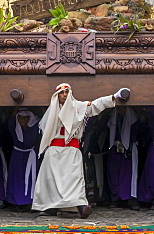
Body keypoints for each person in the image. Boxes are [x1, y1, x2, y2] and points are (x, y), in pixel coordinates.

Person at [34, 83, 126, 218]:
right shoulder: (51, 110)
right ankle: (51, 207)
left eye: (67, 92)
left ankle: (81, 206)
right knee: (51, 180)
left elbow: (95, 105)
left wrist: (113, 97)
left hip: (72, 150)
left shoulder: (79, 107)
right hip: (54, 151)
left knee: (74, 179)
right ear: (57, 95)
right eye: (61, 93)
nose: (64, 95)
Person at [105, 106, 141, 209]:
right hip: (115, 149)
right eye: (119, 109)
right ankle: (115, 198)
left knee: (128, 175)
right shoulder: (114, 118)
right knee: (114, 174)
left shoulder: (133, 120)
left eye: (123, 109)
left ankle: (129, 199)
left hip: (128, 150)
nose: (121, 111)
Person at [5, 108, 39, 210]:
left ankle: (29, 201)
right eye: (20, 118)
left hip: (30, 156)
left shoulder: (34, 127)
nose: (23, 120)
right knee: (16, 178)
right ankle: (14, 201)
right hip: (17, 156)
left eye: (25, 118)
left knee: (30, 179)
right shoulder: (13, 126)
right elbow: (10, 121)